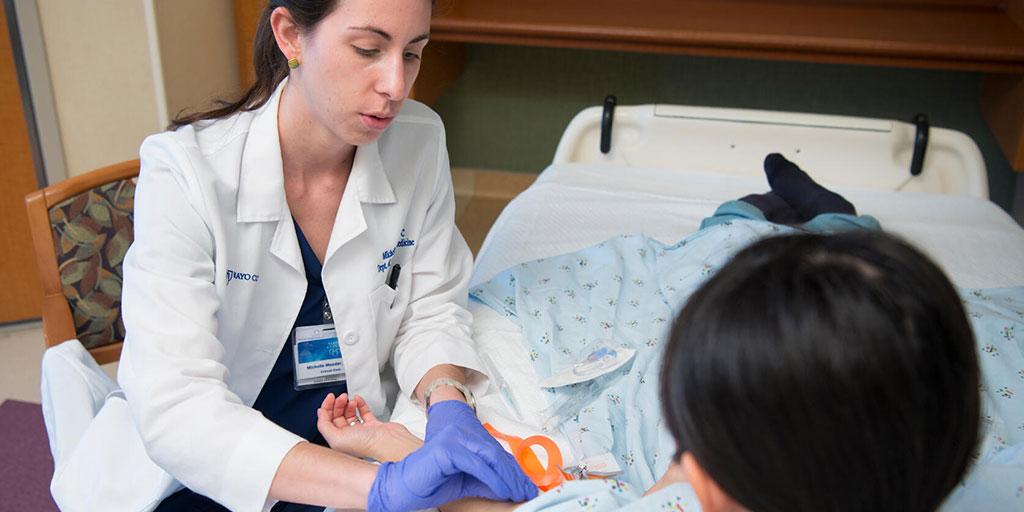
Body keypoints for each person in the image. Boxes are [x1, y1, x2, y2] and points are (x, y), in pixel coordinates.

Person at [117, 0, 536, 510]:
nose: (395, 87)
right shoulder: (186, 175)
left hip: (360, 436)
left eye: (413, 54)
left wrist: (448, 403)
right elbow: (178, 407)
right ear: (290, 35)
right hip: (219, 469)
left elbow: (429, 309)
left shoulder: (419, 142)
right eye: (368, 49)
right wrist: (382, 490)